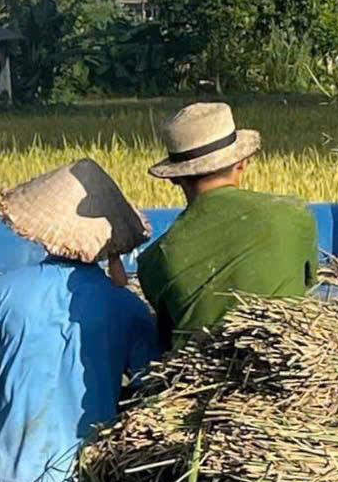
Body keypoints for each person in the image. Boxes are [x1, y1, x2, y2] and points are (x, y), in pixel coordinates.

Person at [0, 159, 158, 482]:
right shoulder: (128, 308)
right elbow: (149, 391)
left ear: (45, 230)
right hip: (86, 480)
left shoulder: (2, 291)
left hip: (7, 473)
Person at [136, 102, 318, 351]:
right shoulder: (294, 214)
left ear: (174, 178)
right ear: (241, 162)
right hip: (292, 372)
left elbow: (168, 335)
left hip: (197, 386)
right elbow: (308, 285)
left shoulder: (155, 260)